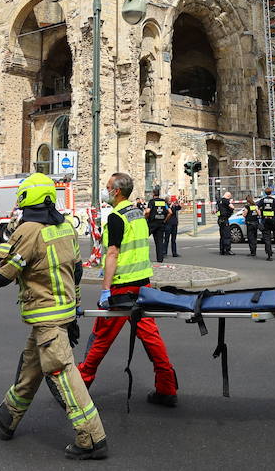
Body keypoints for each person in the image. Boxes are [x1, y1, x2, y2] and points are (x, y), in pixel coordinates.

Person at [0, 174, 107, 459]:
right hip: (61, 310)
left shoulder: (27, 230)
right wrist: (74, 310)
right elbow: (76, 271)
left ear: (26, 198)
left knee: (62, 373)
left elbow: (0, 274)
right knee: (31, 365)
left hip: (45, 314)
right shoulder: (65, 227)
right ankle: (9, 415)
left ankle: (91, 437)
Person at [78, 172, 178, 407]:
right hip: (143, 284)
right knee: (151, 337)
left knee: (101, 337)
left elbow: (113, 253)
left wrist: (105, 288)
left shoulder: (116, 217)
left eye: (107, 187)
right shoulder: (138, 214)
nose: (105, 191)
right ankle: (167, 387)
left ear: (117, 191)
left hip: (121, 287)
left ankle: (80, 385)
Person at [257, 188, 275, 262]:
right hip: (274, 221)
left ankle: (269, 255)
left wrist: (260, 214)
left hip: (265, 221)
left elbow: (256, 207)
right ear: (271, 192)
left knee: (267, 238)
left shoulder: (262, 200)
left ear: (265, 193)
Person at [146, 187, 171, 263]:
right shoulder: (163, 202)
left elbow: (147, 211)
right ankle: (160, 260)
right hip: (161, 224)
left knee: (143, 238)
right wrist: (165, 220)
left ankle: (142, 257)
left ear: (153, 194)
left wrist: (146, 218)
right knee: (159, 242)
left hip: (152, 223)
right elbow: (170, 212)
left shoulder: (151, 202)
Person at [216, 190, 234, 255]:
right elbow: (232, 207)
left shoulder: (218, 201)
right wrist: (230, 203)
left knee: (222, 236)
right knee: (227, 235)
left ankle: (222, 250)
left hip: (220, 220)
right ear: (228, 196)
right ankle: (227, 250)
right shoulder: (225, 200)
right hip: (225, 220)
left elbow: (217, 211)